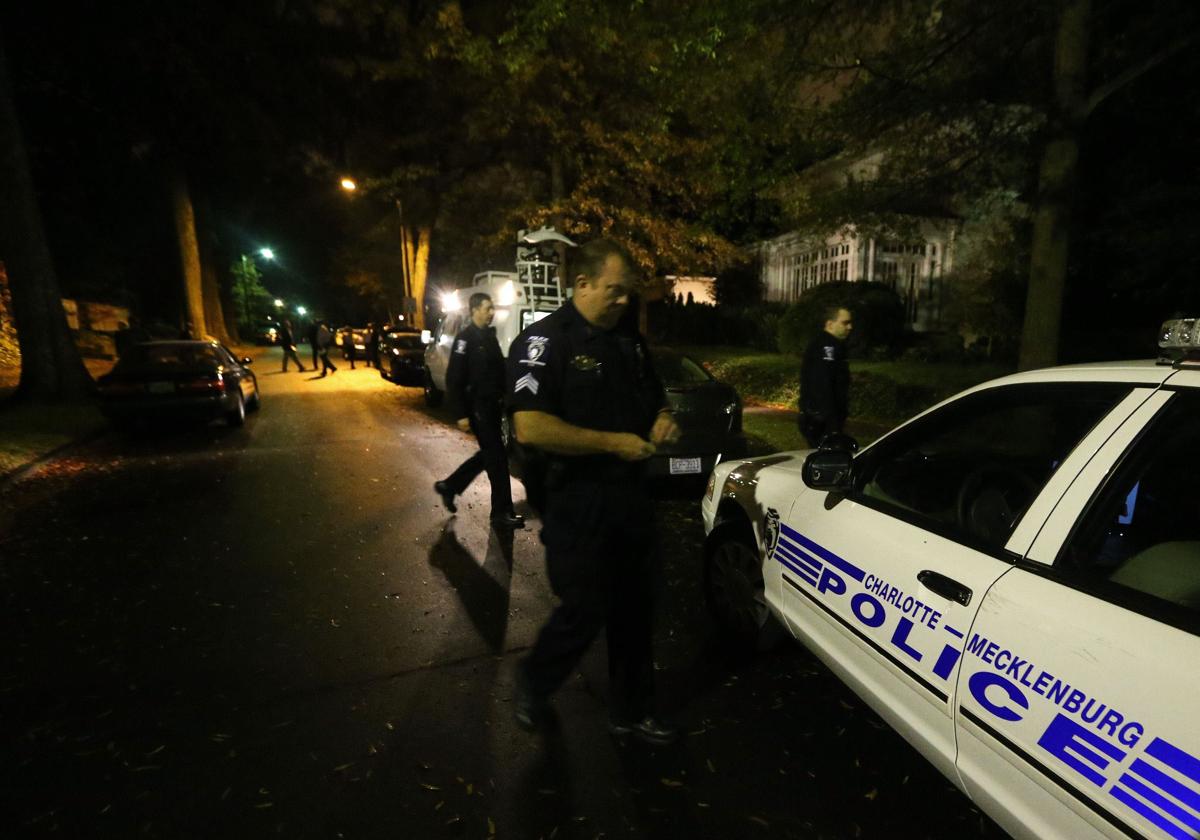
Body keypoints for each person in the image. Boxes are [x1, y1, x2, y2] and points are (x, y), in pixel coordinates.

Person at [507, 238, 682, 745]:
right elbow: (530, 428)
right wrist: (612, 444)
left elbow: (655, 398)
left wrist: (663, 419)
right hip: (576, 502)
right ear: (582, 284)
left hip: (632, 499)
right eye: (615, 291)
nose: (625, 301)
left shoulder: (628, 340)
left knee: (636, 607)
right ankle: (535, 680)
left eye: (629, 293)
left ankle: (632, 711)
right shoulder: (544, 342)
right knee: (586, 605)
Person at [433, 293, 524, 530]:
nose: (491, 312)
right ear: (474, 310)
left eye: (492, 308)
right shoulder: (465, 339)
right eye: (487, 308)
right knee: (497, 458)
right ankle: (501, 512)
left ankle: (450, 486)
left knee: (490, 454)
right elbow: (454, 379)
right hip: (478, 408)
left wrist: (510, 398)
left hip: (493, 406)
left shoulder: (489, 337)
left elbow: (498, 372)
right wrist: (461, 413)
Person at [799, 304, 853, 448]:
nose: (850, 327)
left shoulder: (834, 345)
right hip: (821, 420)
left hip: (824, 418)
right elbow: (822, 384)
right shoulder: (826, 347)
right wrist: (831, 422)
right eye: (845, 323)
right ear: (830, 324)